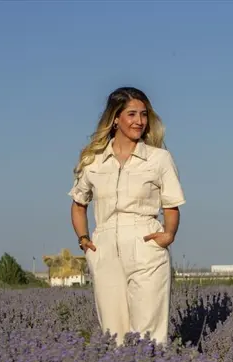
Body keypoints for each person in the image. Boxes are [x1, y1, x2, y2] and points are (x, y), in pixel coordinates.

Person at [69, 86, 186, 345]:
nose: (140, 121)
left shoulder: (159, 159)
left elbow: (172, 205)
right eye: (132, 114)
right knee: (113, 334)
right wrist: (83, 239)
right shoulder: (93, 161)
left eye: (144, 115)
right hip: (104, 245)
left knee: (150, 334)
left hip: (146, 242)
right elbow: (79, 203)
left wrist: (168, 235)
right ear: (115, 119)